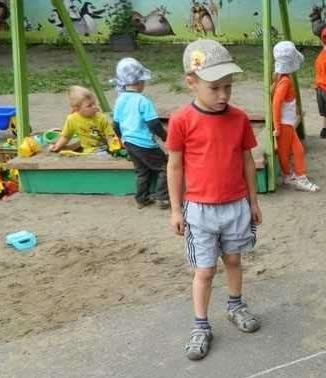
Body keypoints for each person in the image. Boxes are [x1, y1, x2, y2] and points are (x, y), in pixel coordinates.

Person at [166, 40, 263, 361]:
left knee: (234, 260)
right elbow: (175, 165)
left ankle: (236, 305)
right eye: (215, 87)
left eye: (228, 87)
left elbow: (247, 161)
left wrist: (253, 202)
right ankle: (200, 325)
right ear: (191, 82)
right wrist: (176, 209)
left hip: (236, 206)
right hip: (199, 211)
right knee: (204, 271)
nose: (223, 95)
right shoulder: (181, 120)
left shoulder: (238, 118)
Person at [112, 57, 170, 209]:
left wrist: (121, 138)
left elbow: (115, 124)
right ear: (139, 82)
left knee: (142, 171)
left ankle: (141, 198)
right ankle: (162, 198)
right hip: (144, 143)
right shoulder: (143, 101)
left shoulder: (119, 100)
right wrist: (166, 137)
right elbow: (154, 124)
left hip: (129, 143)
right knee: (166, 167)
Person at [272, 41, 319, 192]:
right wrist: (277, 125)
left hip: (287, 123)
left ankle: (290, 176)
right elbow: (276, 103)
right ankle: (300, 178)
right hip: (285, 124)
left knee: (288, 151)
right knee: (296, 150)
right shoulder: (284, 81)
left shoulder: (281, 78)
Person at [50, 85, 118, 154]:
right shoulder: (72, 119)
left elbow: (110, 136)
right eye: (89, 105)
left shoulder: (101, 118)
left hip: (105, 147)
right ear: (77, 108)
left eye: (94, 103)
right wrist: (57, 146)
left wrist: (114, 149)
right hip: (89, 150)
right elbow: (66, 137)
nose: (94, 107)